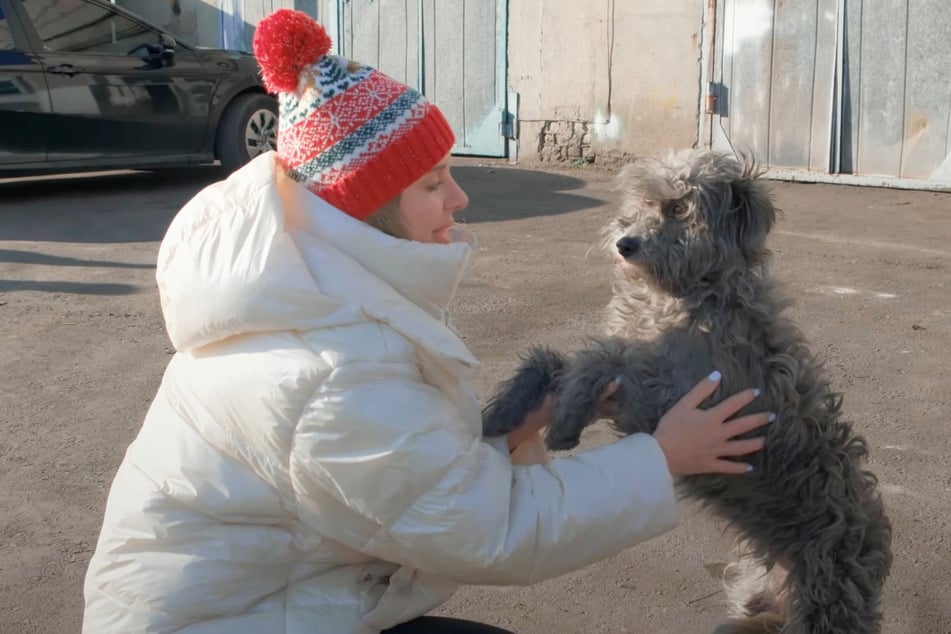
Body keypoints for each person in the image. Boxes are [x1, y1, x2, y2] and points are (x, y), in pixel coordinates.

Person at [82, 9, 772, 634]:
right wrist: (660, 457)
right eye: (433, 182)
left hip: (281, 598)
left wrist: (513, 434)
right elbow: (485, 529)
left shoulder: (315, 287)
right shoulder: (325, 372)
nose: (461, 197)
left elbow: (415, 483)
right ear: (368, 205)